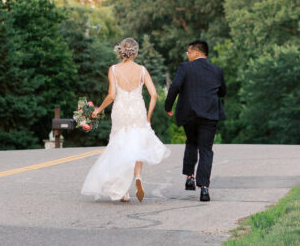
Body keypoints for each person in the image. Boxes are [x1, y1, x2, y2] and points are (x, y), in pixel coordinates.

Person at [81, 37, 170, 202]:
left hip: (121, 111)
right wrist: (148, 117)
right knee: (137, 145)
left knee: (120, 147)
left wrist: (99, 109)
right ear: (135, 53)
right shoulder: (142, 70)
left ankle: (124, 191)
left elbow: (112, 95)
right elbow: (154, 95)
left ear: (122, 51)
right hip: (138, 110)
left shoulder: (113, 70)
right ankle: (137, 176)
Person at [164, 39, 226, 202]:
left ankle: (190, 177)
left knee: (191, 142)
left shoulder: (185, 68)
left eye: (189, 52)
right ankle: (204, 189)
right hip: (209, 114)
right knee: (206, 149)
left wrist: (168, 107)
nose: (188, 55)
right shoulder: (217, 70)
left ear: (196, 52)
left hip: (189, 114)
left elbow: (175, 86)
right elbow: (223, 92)